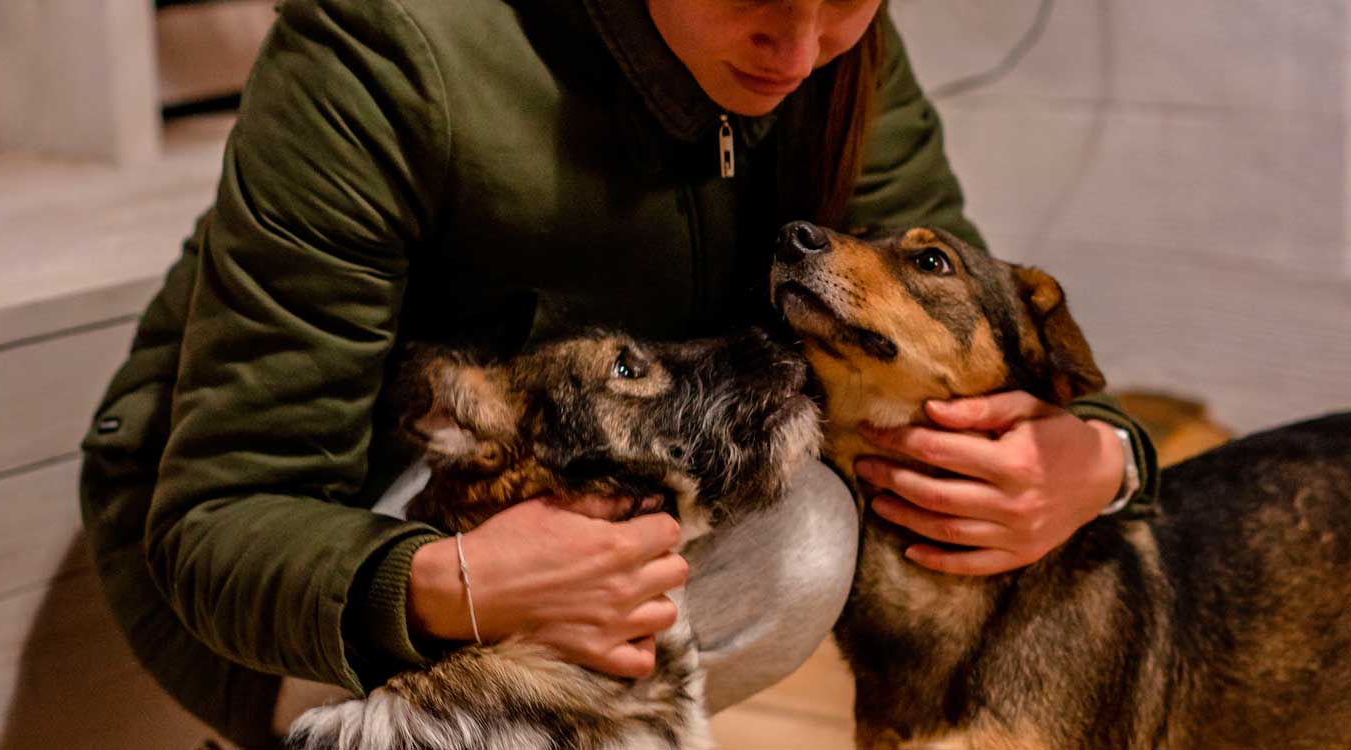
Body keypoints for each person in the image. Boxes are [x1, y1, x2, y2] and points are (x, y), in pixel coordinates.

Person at [78, 0, 1158, 747]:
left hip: (611, 470)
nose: (800, 49)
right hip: (324, 540)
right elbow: (219, 518)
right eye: (758, 1)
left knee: (804, 532)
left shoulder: (830, 47)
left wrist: (1100, 453)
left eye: (850, 4)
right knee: (801, 537)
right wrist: (456, 584)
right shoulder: (384, 43)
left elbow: (971, 322)